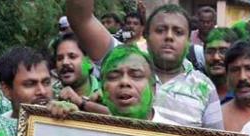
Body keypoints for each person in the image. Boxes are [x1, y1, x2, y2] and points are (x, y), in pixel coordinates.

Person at [66, 0, 224, 129]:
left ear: (189, 40)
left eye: (178, 32)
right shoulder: (123, 61)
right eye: (160, 30)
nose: (169, 36)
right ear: (146, 35)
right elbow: (81, 18)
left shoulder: (205, 88)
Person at [99, 45, 177, 124]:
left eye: (136, 75)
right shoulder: (91, 132)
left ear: (153, 89)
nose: (124, 82)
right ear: (103, 90)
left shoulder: (177, 134)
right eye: (114, 77)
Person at [51, 34, 109, 115]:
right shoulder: (50, 95)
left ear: (89, 62)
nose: (65, 63)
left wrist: (81, 103)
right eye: (60, 58)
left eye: (72, 56)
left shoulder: (108, 93)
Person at [0, 46, 53, 120]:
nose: (42, 91)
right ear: (7, 90)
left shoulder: (66, 122)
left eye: (46, 83)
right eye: (30, 84)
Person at [203, 27, 238, 104]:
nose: (216, 57)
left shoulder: (244, 95)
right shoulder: (195, 94)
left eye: (223, 51)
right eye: (210, 52)